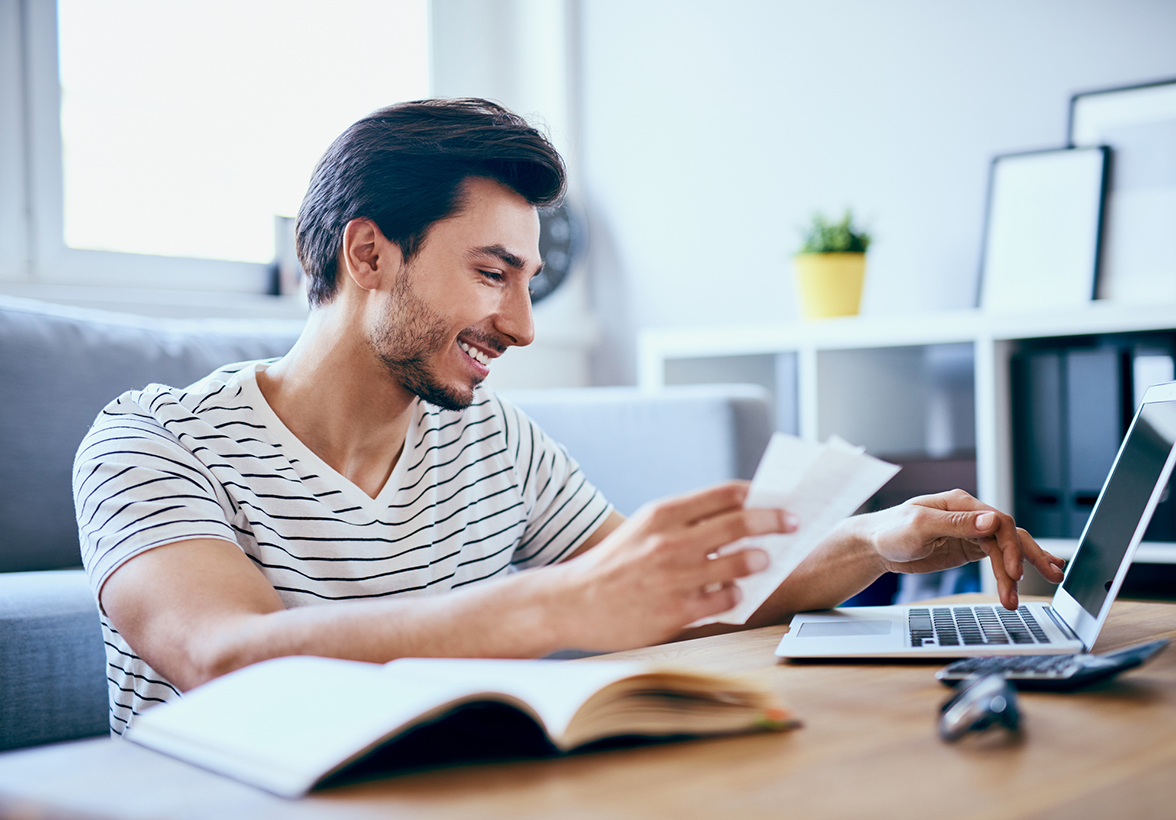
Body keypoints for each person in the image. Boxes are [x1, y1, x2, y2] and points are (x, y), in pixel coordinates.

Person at [73, 98, 1064, 734]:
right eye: (492, 273)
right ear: (367, 253)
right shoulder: (153, 440)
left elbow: (677, 592)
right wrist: (557, 603)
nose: (523, 325)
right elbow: (217, 654)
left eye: (530, 281)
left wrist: (876, 541)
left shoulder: (492, 439)